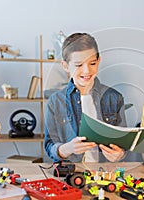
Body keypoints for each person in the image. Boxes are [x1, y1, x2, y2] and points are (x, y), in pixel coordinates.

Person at [44, 32, 127, 163]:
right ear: (65, 66)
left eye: (92, 63)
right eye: (78, 65)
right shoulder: (55, 102)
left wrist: (120, 154)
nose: (87, 71)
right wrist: (67, 149)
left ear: (99, 61)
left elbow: (123, 143)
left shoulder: (114, 98)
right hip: (70, 174)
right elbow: (49, 147)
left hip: (104, 175)